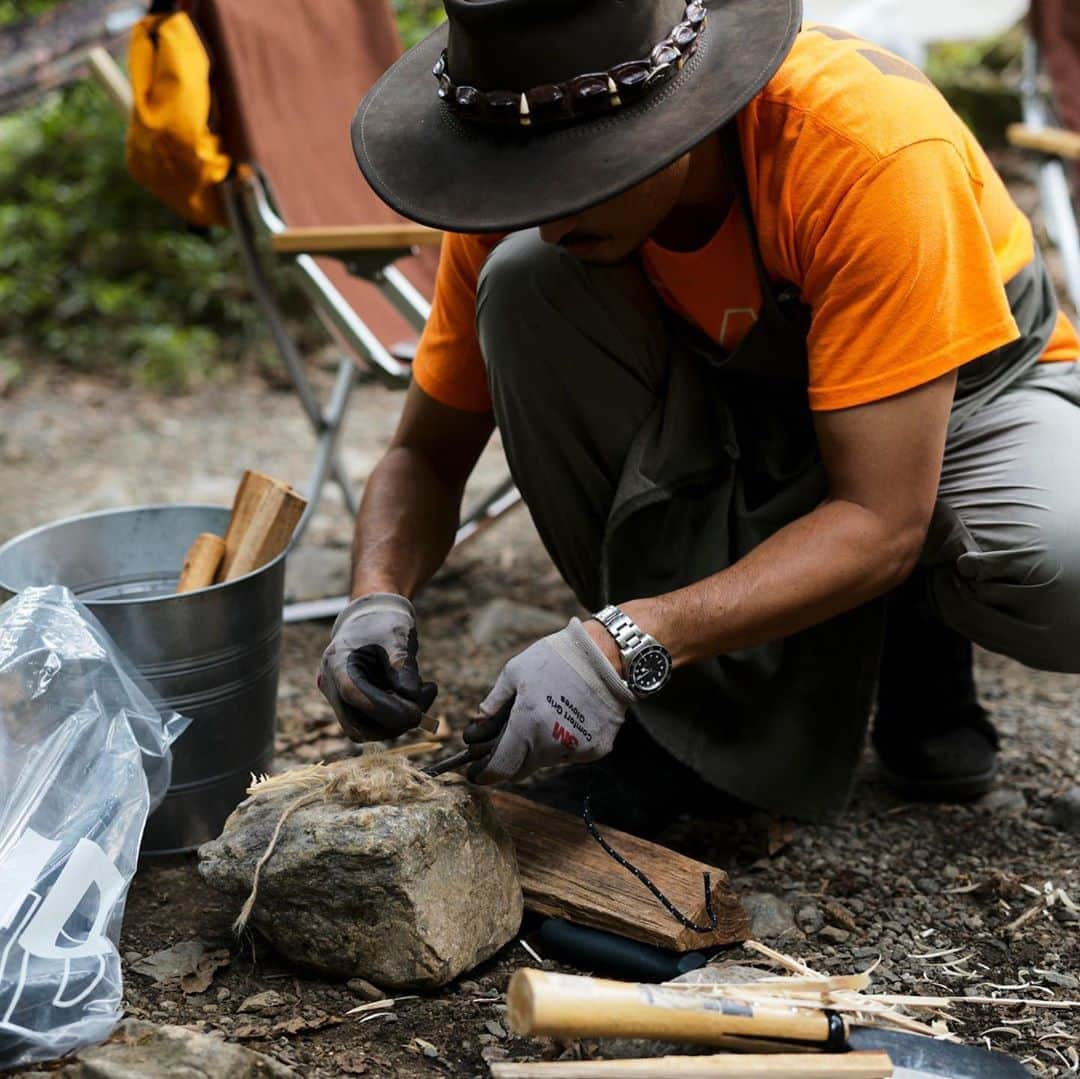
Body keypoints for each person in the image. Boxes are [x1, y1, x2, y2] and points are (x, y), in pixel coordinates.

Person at [317, 0, 1080, 823]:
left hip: (965, 392)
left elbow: (880, 514)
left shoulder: (865, 145)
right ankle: (688, 734)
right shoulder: (521, 157)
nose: (551, 215)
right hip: (742, 398)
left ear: (676, 115)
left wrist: (617, 647)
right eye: (527, 183)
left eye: (581, 176)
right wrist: (373, 598)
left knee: (1051, 552)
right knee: (523, 283)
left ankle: (914, 640)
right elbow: (426, 455)